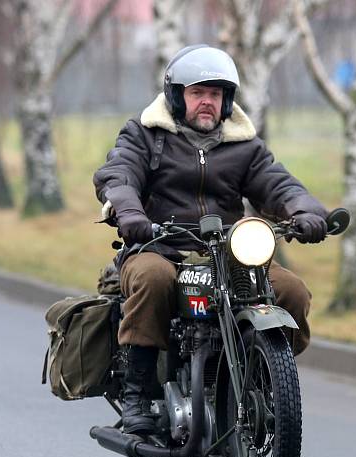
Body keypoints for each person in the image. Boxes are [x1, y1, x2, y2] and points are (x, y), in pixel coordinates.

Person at [92, 45, 329, 436]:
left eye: (216, 95)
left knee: (293, 292)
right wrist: (130, 214)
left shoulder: (244, 146)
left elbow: (278, 184)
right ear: (176, 96)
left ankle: (268, 377)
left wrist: (306, 212)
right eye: (198, 93)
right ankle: (138, 392)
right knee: (152, 280)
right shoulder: (145, 135)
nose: (207, 102)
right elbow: (118, 175)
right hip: (159, 246)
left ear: (227, 100)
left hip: (228, 253)